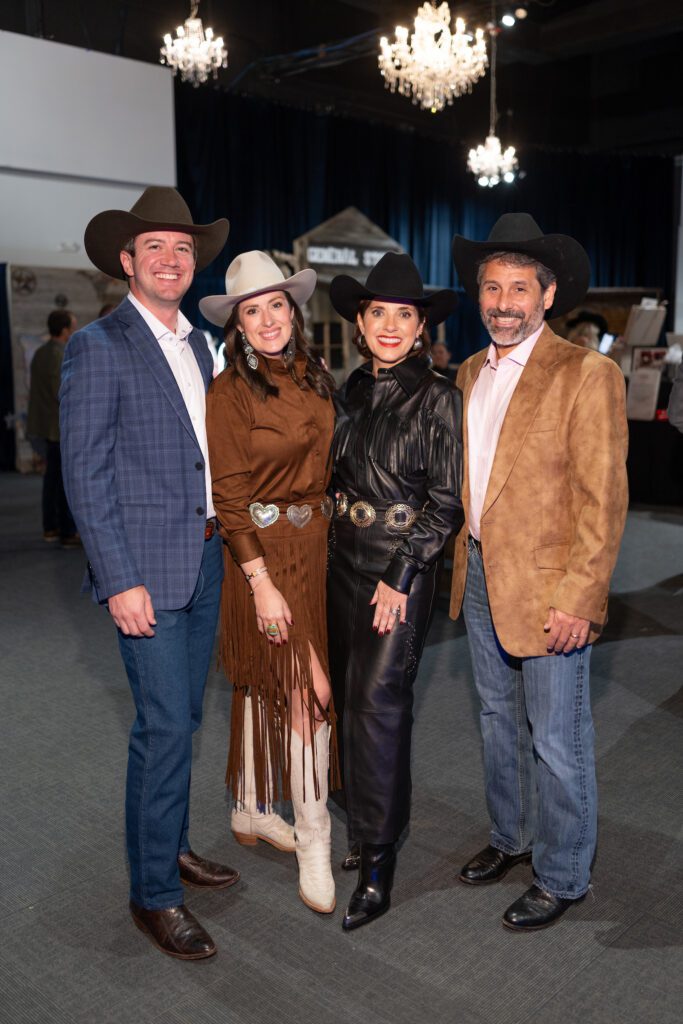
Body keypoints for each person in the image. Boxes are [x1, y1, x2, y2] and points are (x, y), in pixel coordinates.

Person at [60, 187, 236, 961]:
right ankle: (153, 895)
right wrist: (117, 577)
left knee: (187, 721)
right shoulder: (98, 346)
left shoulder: (201, 345)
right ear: (127, 262)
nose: (171, 260)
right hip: (145, 573)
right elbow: (86, 474)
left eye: (183, 250)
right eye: (155, 249)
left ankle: (173, 847)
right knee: (163, 726)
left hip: (206, 556)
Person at [450, 213, 629, 930]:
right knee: (495, 720)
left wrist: (580, 598)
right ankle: (507, 838)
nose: (502, 302)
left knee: (557, 740)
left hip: (553, 589)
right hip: (478, 578)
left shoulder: (587, 373)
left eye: (518, 288)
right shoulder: (467, 371)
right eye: (491, 287)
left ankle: (562, 873)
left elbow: (603, 499)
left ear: (546, 296)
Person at [327, 252, 462, 930]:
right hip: (339, 563)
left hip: (397, 574)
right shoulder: (347, 388)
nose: (388, 324)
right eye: (376, 312)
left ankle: (379, 861)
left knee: (379, 708)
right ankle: (358, 829)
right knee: (348, 702)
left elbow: (445, 505)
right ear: (359, 321)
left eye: (402, 315)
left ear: (419, 327)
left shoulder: (440, 397)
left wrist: (401, 577)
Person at [202, 251, 339, 915]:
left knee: (261, 685)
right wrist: (259, 583)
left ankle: (250, 807)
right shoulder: (230, 392)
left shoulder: (315, 376)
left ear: (294, 309)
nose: (266, 319)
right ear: (237, 323)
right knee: (308, 695)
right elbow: (228, 497)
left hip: (315, 552)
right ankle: (314, 834)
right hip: (260, 559)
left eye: (275, 304)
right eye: (251, 310)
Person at [26, 308, 79, 546]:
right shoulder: (61, 354)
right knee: (63, 481)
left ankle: (51, 527)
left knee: (51, 479)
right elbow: (64, 393)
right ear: (65, 329)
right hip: (58, 428)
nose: (75, 330)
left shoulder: (40, 352)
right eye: (73, 326)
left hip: (46, 426)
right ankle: (67, 531)